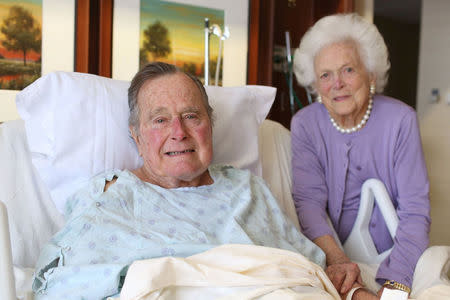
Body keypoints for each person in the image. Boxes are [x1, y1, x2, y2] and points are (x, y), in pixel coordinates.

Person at [32, 62, 325, 299]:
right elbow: (62, 284)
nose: (179, 132)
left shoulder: (247, 189)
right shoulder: (110, 194)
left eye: (191, 116)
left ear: (209, 125)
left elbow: (306, 269)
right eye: (160, 120)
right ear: (136, 135)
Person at [291, 13, 430, 300]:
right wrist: (338, 261)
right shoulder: (305, 124)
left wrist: (396, 284)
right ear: (315, 84)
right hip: (330, 257)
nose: (337, 83)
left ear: (371, 74)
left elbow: (415, 211)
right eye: (325, 75)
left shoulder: (400, 120)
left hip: (393, 258)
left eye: (348, 70)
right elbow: (308, 203)